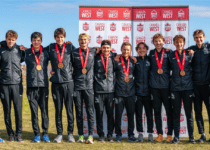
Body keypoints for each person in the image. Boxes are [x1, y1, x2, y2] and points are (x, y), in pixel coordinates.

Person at [48, 28, 76, 143]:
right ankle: (59, 134)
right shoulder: (50, 47)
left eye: (62, 37)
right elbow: (38, 52)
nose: (60, 39)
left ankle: (70, 134)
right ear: (55, 38)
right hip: (55, 83)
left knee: (69, 109)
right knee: (58, 110)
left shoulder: (70, 47)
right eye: (58, 37)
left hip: (68, 83)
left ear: (64, 37)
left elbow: (81, 58)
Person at [169, 35, 195, 144]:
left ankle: (191, 137)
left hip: (188, 88)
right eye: (176, 42)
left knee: (189, 114)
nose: (179, 44)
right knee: (176, 113)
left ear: (184, 43)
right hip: (175, 89)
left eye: (181, 42)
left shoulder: (189, 54)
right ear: (174, 43)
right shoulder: (170, 55)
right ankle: (176, 137)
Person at [24, 32, 50, 143]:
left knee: (44, 112)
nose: (36, 42)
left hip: (43, 86)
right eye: (34, 40)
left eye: (38, 40)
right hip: (31, 86)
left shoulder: (46, 52)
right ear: (31, 41)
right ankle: (37, 135)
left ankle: (45, 134)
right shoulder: (26, 52)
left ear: (41, 41)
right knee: (34, 112)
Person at [71, 33, 96, 144]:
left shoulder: (94, 51)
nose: (83, 41)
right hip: (77, 86)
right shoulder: (74, 52)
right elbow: (68, 67)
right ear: (78, 41)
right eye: (81, 40)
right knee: (79, 112)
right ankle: (80, 135)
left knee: (90, 111)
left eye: (85, 39)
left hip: (89, 86)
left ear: (88, 40)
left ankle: (90, 135)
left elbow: (108, 53)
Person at [0, 30, 25, 142]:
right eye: (9, 39)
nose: (11, 41)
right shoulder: (1, 49)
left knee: (18, 111)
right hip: (4, 84)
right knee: (7, 111)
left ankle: (18, 134)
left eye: (13, 40)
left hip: (17, 84)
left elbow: (33, 54)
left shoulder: (20, 50)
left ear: (16, 40)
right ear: (6, 39)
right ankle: (10, 134)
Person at [149, 33, 173, 142]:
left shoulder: (168, 53)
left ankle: (169, 134)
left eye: (160, 41)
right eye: (156, 41)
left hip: (166, 87)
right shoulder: (150, 53)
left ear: (163, 41)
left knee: (169, 112)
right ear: (153, 42)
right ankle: (159, 134)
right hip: (154, 88)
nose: (158, 43)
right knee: (157, 112)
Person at [188, 29, 210, 143]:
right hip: (195, 86)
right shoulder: (191, 49)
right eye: (196, 37)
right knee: (198, 112)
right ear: (194, 39)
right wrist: (167, 51)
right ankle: (202, 134)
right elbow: (178, 53)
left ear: (204, 37)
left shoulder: (209, 48)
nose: (198, 39)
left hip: (207, 86)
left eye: (200, 37)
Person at [114, 42, 136, 143]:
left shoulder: (133, 61)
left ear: (130, 51)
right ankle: (118, 135)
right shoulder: (116, 60)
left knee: (131, 115)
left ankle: (131, 135)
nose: (126, 51)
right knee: (118, 116)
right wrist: (116, 56)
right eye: (124, 49)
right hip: (119, 93)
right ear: (121, 49)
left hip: (131, 93)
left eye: (128, 50)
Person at [94, 40, 115, 142]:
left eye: (107, 48)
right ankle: (101, 135)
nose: (106, 49)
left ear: (110, 48)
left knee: (110, 114)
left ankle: (110, 134)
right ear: (101, 48)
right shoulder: (96, 56)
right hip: (98, 91)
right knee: (99, 114)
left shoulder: (114, 57)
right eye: (104, 48)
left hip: (110, 91)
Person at [134, 42, 153, 142]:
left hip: (148, 92)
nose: (142, 50)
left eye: (144, 48)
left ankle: (150, 133)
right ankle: (140, 133)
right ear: (137, 50)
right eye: (139, 49)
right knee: (138, 114)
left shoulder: (151, 59)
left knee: (149, 114)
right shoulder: (134, 60)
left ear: (147, 49)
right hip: (137, 92)